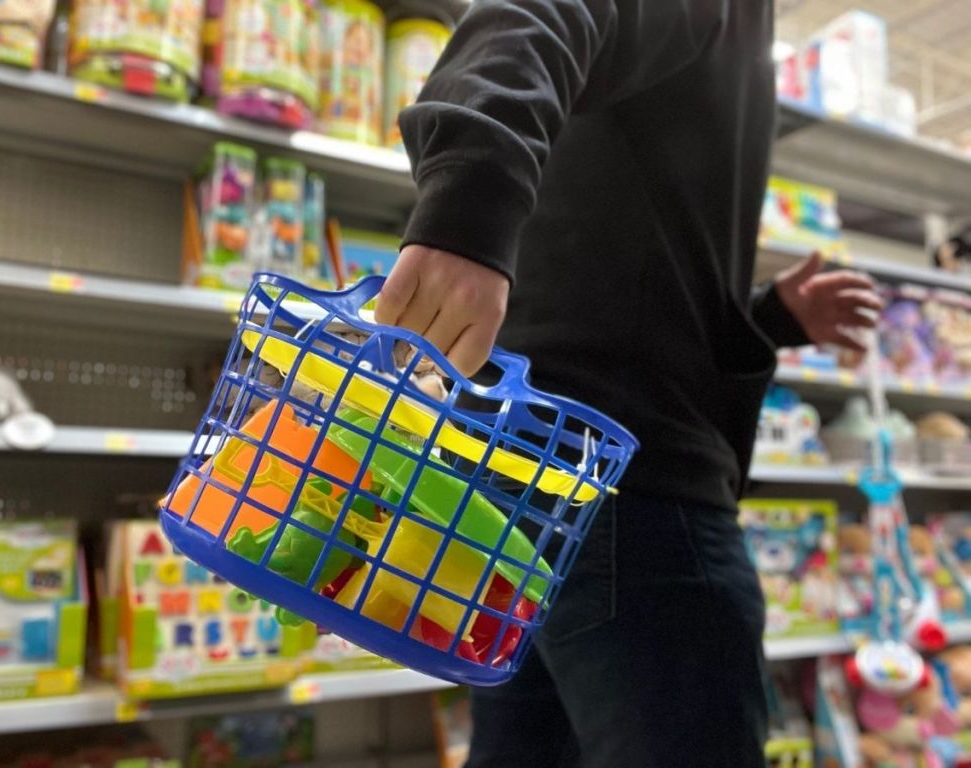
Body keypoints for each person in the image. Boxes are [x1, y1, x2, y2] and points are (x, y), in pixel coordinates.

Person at [374, 2, 882, 766]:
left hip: (520, 488)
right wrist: (469, 204)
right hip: (637, 495)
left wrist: (764, 318)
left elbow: (627, 258)